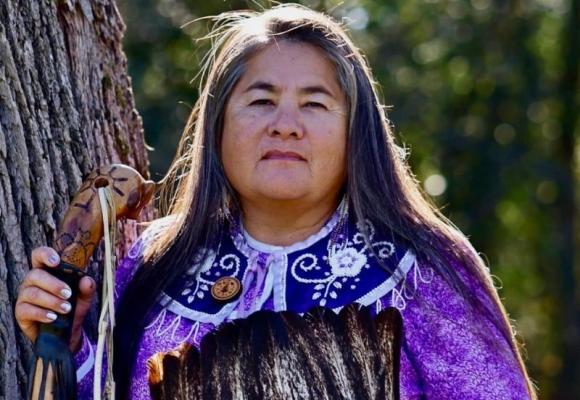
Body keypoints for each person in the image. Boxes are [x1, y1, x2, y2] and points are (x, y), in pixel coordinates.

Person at [15, 4, 536, 399]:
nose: (285, 125)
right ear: (217, 128)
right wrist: (68, 338)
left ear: (355, 132)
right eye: (260, 101)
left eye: (315, 103)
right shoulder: (154, 264)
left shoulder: (420, 268)